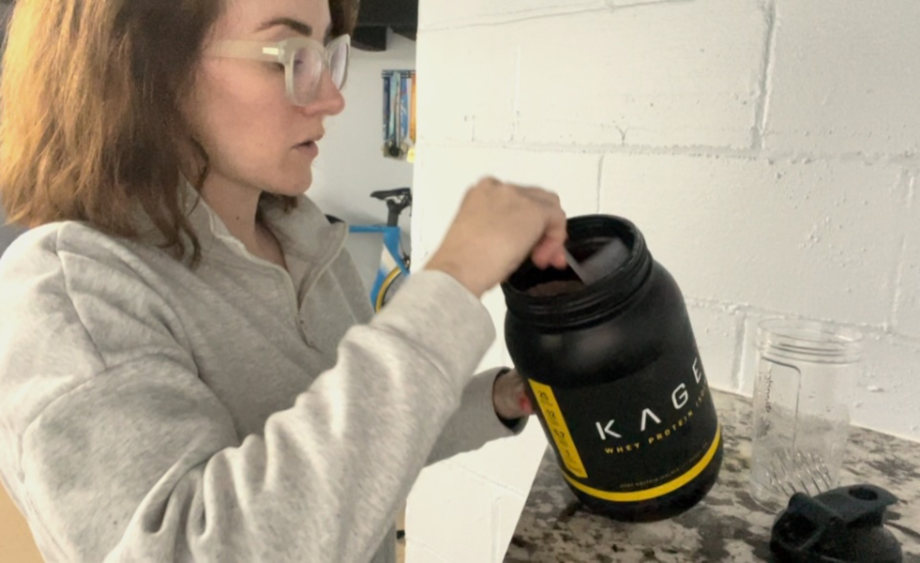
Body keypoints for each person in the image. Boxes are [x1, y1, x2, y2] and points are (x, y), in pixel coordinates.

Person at [0, 0, 569, 561]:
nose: (332, 97)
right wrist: (451, 282)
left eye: (325, 53)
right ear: (148, 69)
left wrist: (493, 400)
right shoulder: (70, 292)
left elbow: (349, 443)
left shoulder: (308, 243)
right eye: (288, 55)